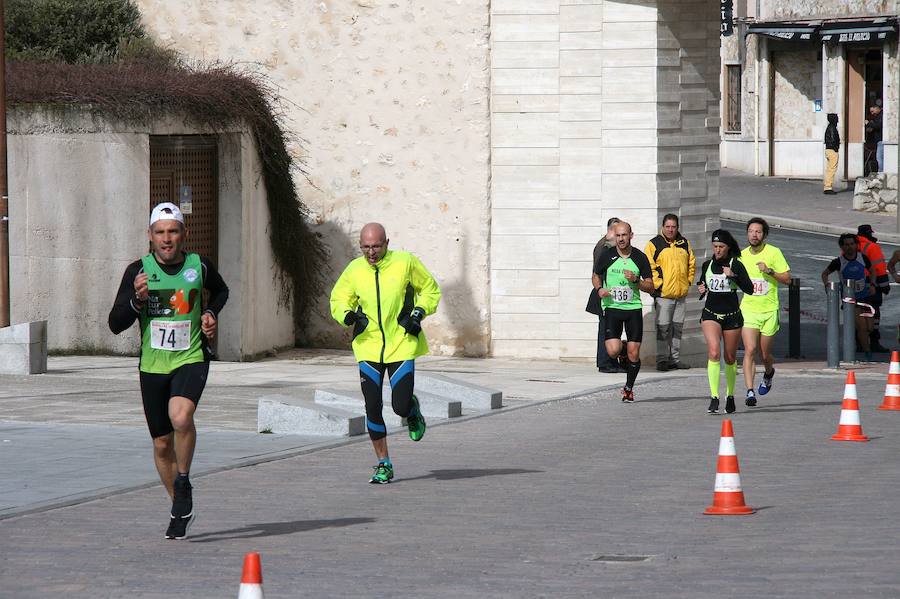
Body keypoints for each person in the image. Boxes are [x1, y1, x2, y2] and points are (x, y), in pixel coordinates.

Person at [108, 202, 229, 540]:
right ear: (150, 236)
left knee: (180, 417)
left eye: (173, 231)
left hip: (191, 357)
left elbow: (221, 290)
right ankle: (180, 506)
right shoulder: (139, 271)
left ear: (183, 234)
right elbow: (115, 324)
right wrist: (136, 301)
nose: (166, 239)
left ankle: (184, 478)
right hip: (153, 365)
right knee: (162, 444)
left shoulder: (199, 265)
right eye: (160, 232)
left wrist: (210, 313)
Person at [330, 222, 441, 484]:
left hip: (401, 342)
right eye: (366, 247)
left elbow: (430, 289)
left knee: (399, 406)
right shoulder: (354, 270)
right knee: (373, 407)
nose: (371, 252)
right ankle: (384, 463)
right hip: (368, 345)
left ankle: (411, 410)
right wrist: (346, 314)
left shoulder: (405, 262)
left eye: (376, 246)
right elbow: (338, 298)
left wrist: (419, 312)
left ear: (387, 243)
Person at [593, 221, 655, 402]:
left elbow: (650, 287)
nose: (621, 239)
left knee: (634, 355)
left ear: (631, 236)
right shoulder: (607, 255)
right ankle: (625, 348)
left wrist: (636, 280)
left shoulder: (640, 258)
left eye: (624, 235)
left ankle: (628, 388)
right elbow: (596, 275)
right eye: (618, 235)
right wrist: (599, 290)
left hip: (633, 308)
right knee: (612, 351)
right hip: (612, 307)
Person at [697, 230, 754, 414]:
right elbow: (702, 285)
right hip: (711, 314)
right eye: (715, 247)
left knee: (729, 357)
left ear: (728, 247)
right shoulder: (707, 265)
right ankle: (714, 397)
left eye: (721, 247)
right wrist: (701, 288)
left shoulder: (735, 265)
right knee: (714, 352)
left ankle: (730, 395)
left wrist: (733, 277)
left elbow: (750, 289)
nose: (718, 250)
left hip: (732, 315)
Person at [739, 218, 791, 407]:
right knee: (750, 350)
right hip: (749, 310)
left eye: (758, 232)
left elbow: (787, 279)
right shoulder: (741, 256)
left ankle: (769, 372)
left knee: (764, 354)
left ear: (765, 235)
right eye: (751, 231)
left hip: (769, 310)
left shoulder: (774, 252)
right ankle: (749, 391)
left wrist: (769, 271)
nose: (754, 235)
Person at [646, 213, 695, 371]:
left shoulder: (684, 243)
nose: (670, 230)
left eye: (673, 227)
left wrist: (688, 282)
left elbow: (691, 264)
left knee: (677, 328)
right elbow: (649, 266)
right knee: (663, 328)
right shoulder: (654, 244)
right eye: (667, 227)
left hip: (680, 295)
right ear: (662, 227)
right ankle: (662, 360)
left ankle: (674, 359)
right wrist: (659, 285)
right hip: (664, 296)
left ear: (677, 227)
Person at [821, 233, 877, 361]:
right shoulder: (838, 262)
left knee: (870, 328)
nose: (849, 247)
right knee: (862, 328)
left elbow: (873, 270)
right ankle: (867, 352)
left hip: (865, 297)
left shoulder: (862, 258)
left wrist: (872, 284)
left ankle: (857, 340)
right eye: (846, 245)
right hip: (850, 299)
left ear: (856, 245)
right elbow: (824, 274)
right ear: (842, 247)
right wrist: (827, 285)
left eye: (852, 244)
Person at [588, 217, 623, 373]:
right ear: (610, 231)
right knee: (606, 329)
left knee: (612, 328)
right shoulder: (604, 246)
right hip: (602, 293)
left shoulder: (611, 245)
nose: (620, 236)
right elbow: (598, 272)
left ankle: (611, 360)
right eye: (616, 232)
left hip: (610, 293)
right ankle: (604, 362)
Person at [856, 224, 890, 352]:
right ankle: (874, 342)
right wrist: (885, 286)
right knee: (874, 312)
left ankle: (859, 343)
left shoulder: (850, 245)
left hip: (854, 284)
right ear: (869, 234)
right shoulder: (872, 247)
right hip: (871, 283)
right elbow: (879, 268)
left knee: (858, 312)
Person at [824, 113, 840, 195]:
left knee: (829, 169)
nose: (838, 120)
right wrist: (836, 148)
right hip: (832, 150)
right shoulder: (832, 128)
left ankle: (827, 186)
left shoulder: (829, 127)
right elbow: (834, 140)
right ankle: (828, 187)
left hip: (828, 150)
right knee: (832, 169)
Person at [865, 102, 883, 173]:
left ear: (877, 108)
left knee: (879, 158)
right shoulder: (878, 116)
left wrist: (869, 123)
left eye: (872, 111)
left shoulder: (881, 115)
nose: (872, 113)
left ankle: (881, 172)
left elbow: (878, 125)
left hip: (881, 140)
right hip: (879, 140)